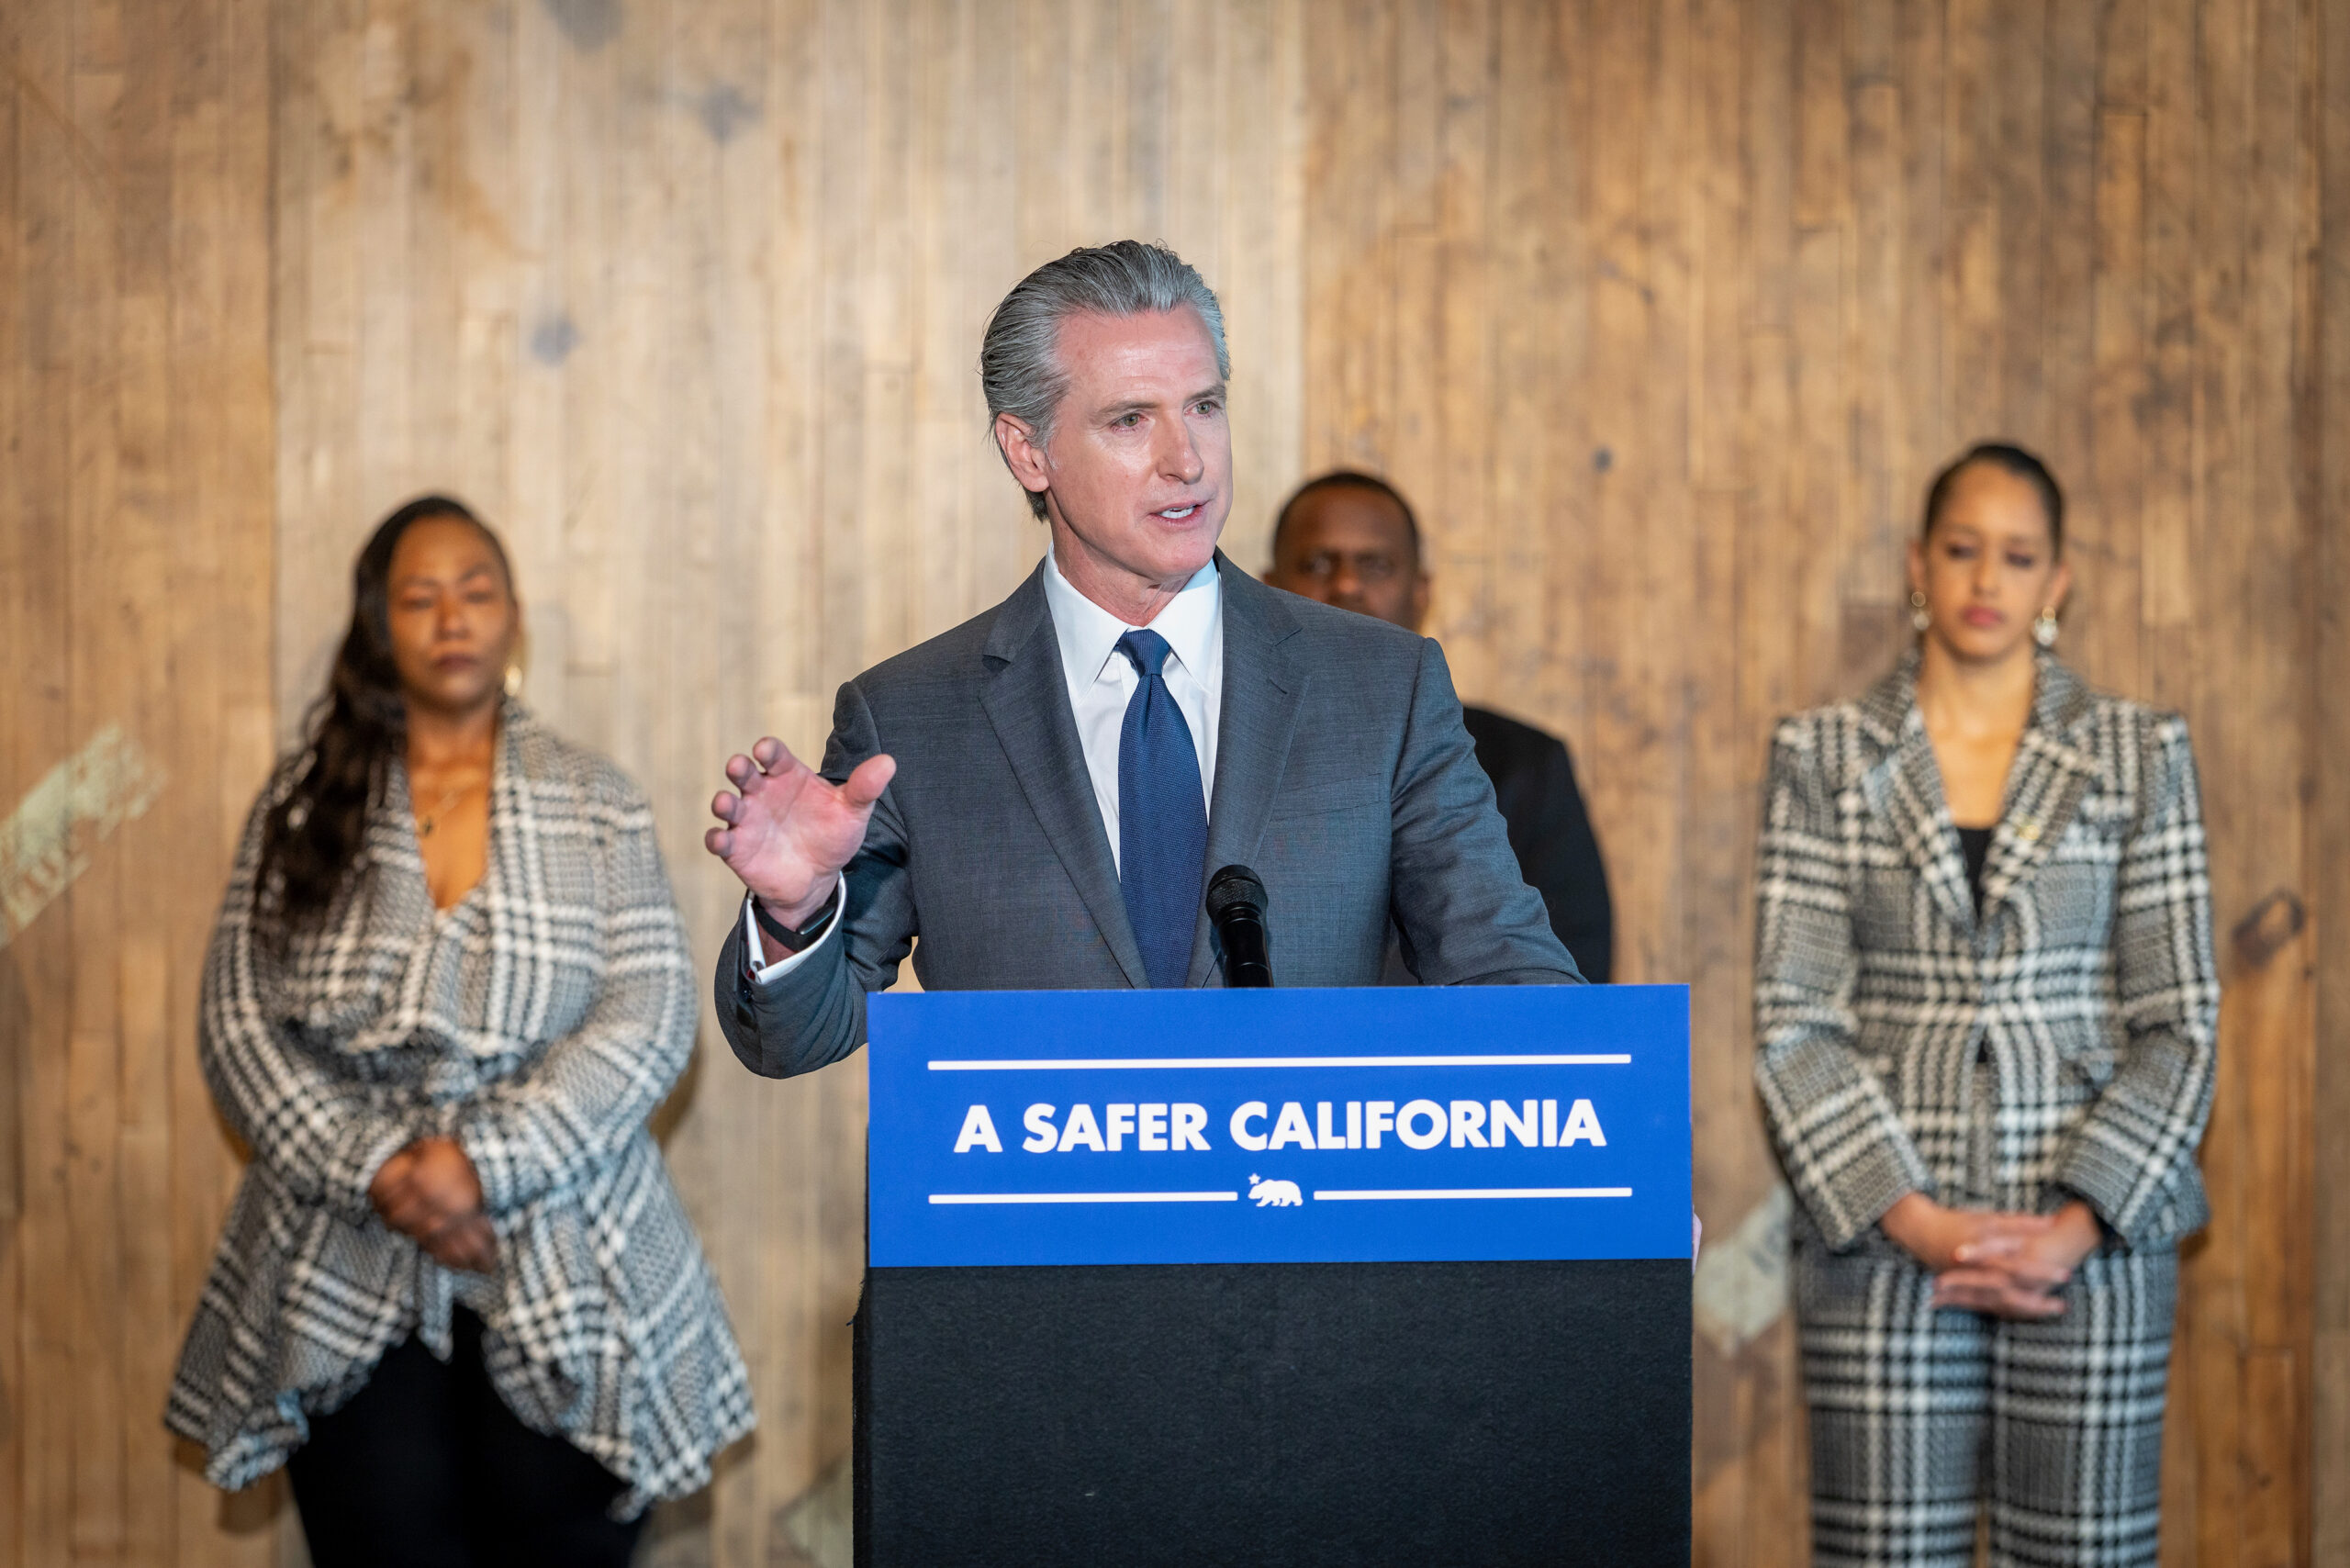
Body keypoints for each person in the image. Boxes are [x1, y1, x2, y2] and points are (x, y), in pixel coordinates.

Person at [704, 241, 1579, 1080]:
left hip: (1301, 1222)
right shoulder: (911, 718)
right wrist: (794, 914)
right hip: (1036, 1225)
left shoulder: (1381, 689)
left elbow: (1503, 972)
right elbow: (796, 1038)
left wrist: (1623, 1177)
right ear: (1028, 451)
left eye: (1204, 406)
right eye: (1132, 420)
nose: (1187, 460)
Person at [168, 498, 753, 1566]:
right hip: (345, 1241)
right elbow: (237, 1020)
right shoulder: (302, 803)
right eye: (419, 596)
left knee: (567, 1544)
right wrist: (384, 1168)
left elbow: (652, 1015)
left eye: (476, 590)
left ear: (513, 618)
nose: (451, 617)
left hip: (570, 1229)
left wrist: (480, 1163)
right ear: (378, 625)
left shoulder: (595, 801)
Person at [1752, 443, 2218, 1567]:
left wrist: (2073, 1226)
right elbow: (1791, 1018)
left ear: (2057, 580)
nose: (1985, 580)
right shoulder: (1820, 752)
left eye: (2017, 557)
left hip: (2093, 1245)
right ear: (1920, 562)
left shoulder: (2138, 751)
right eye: (1963, 549)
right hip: (1883, 1240)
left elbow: (2181, 1019)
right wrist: (1916, 1220)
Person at [1263, 470, 1614, 981]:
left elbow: (1567, 972)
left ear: (1423, 593)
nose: (1346, 585)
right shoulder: (1226, 749)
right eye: (1317, 563)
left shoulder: (1527, 766)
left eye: (1375, 565)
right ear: (1267, 591)